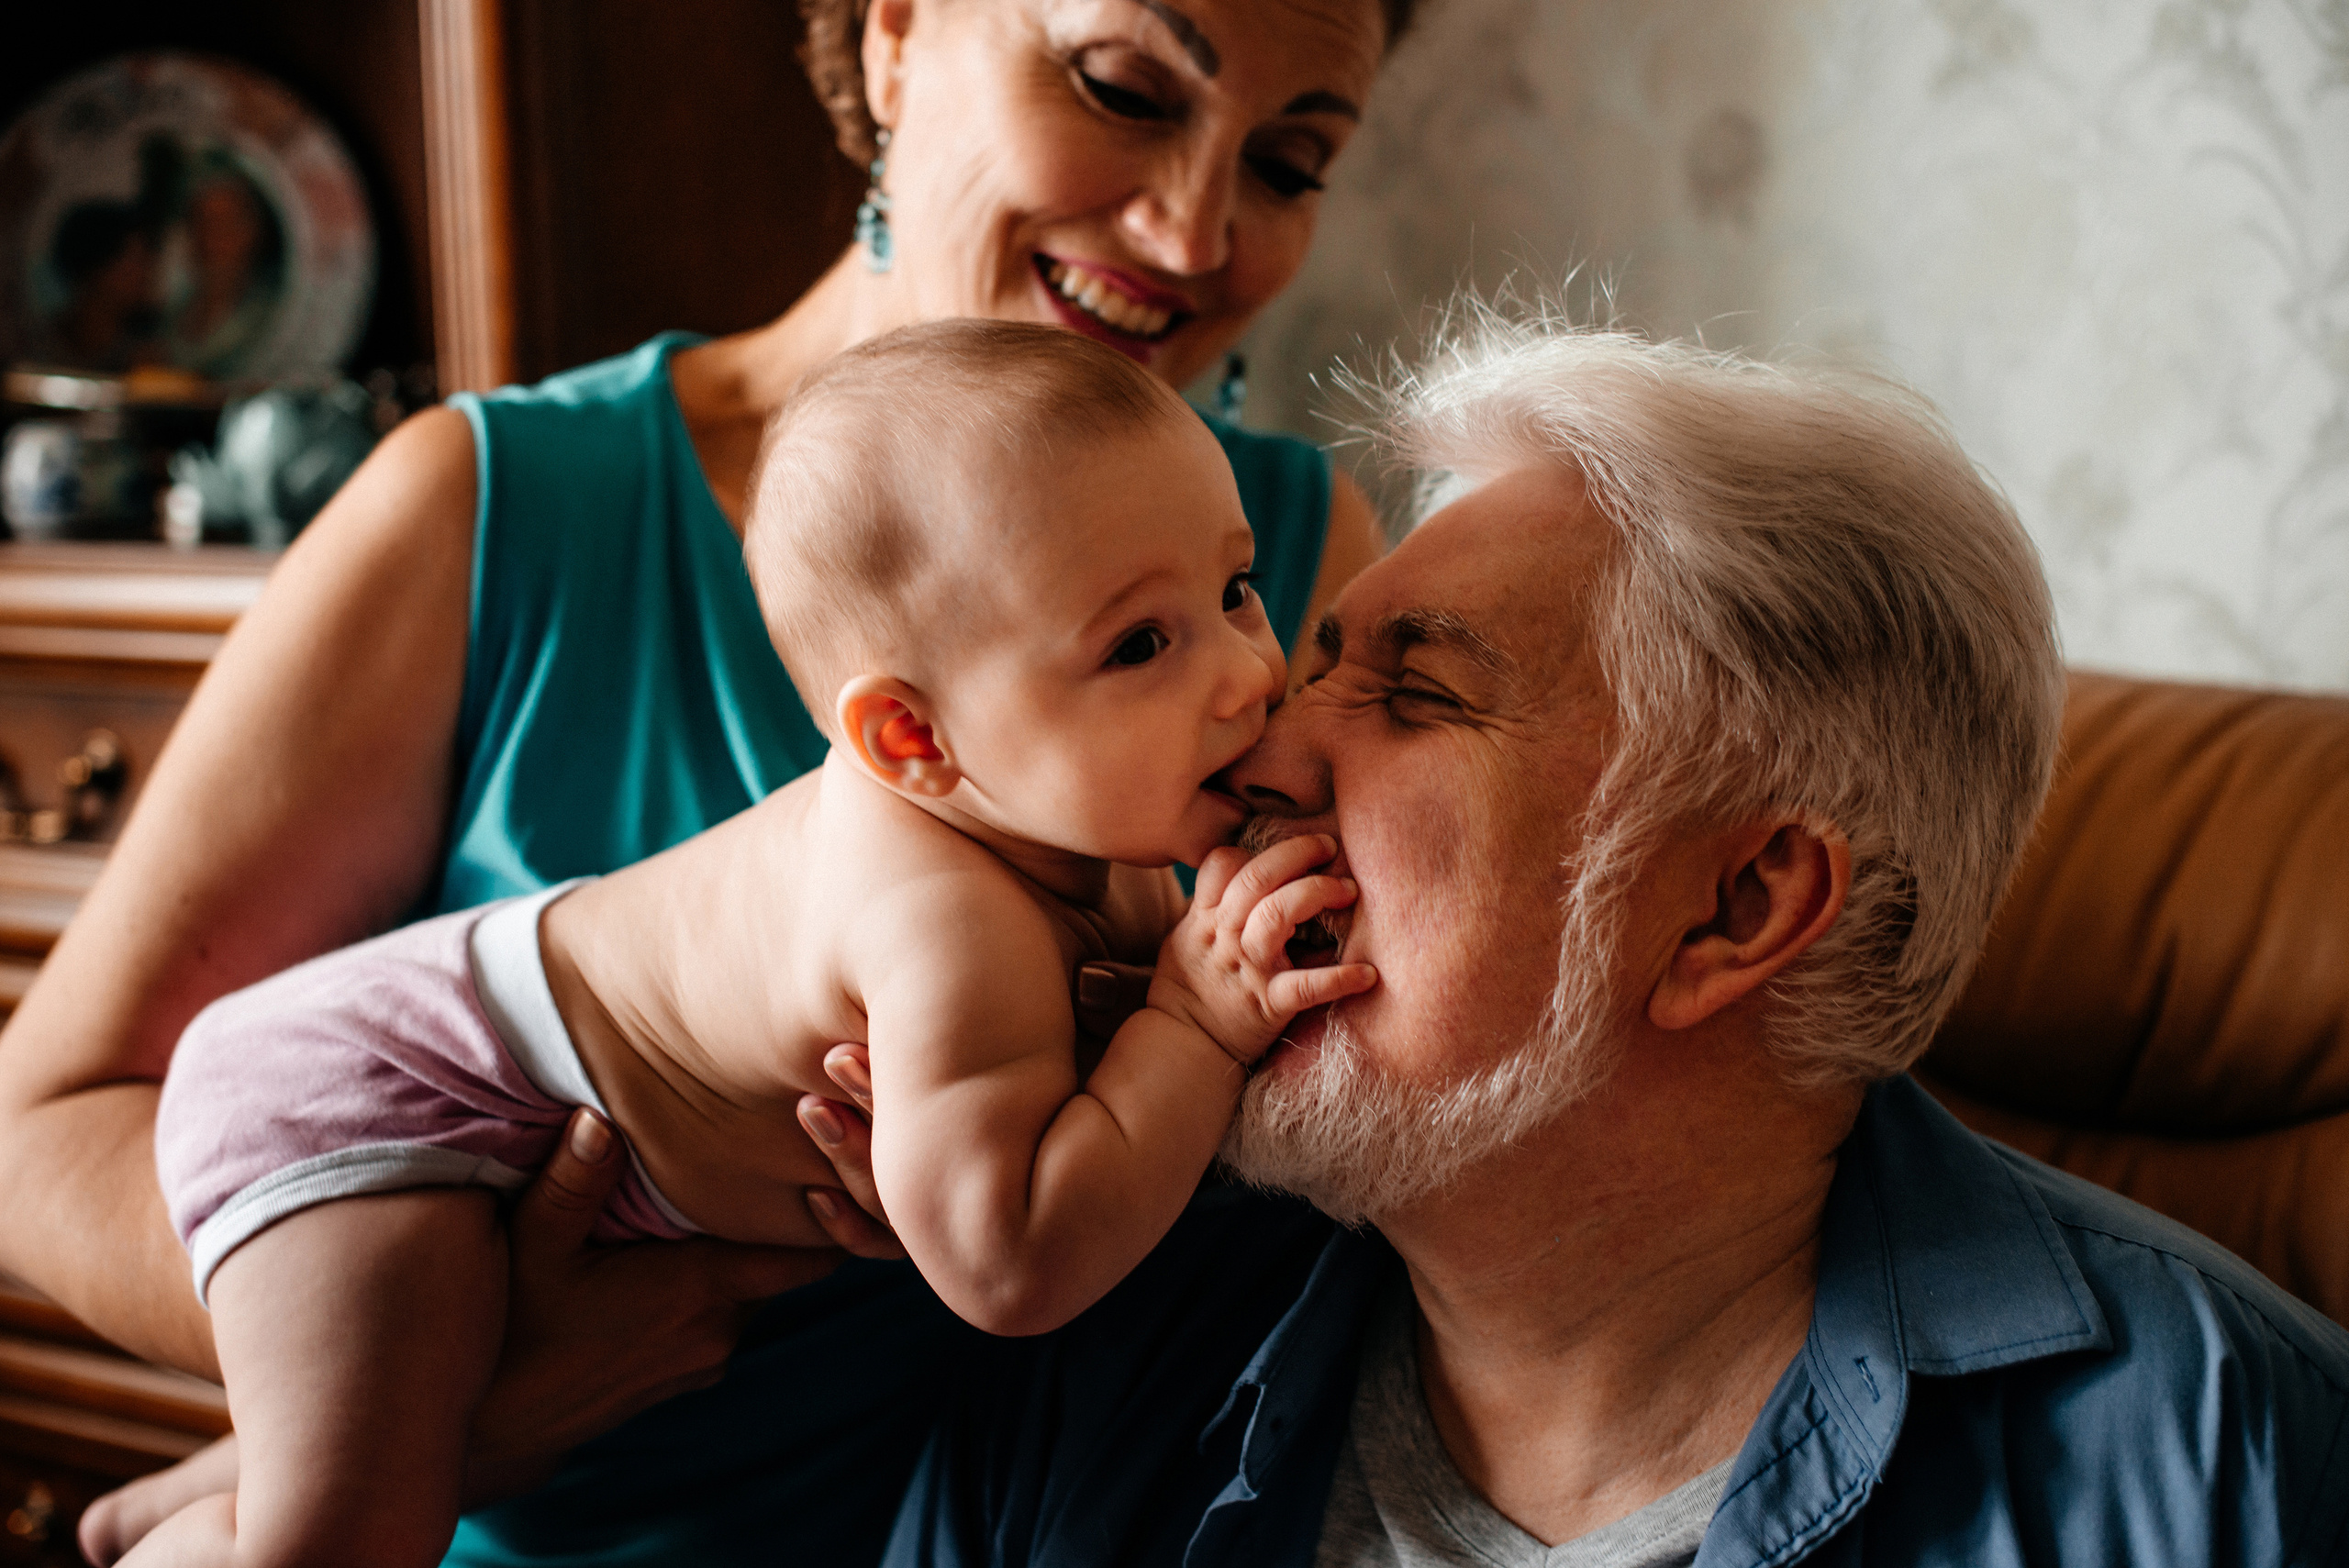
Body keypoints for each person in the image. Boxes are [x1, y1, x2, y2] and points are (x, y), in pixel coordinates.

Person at [0, 2, 1413, 1563]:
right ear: (892, 39)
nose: (1192, 229)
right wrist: (463, 1371)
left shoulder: (1287, 555)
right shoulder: (491, 511)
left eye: (1289, 162)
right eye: (1124, 88)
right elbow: (43, 1131)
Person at [852, 315, 2349, 1564]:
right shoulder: (1102, 1323)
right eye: (1313, 664)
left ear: (1734, 908)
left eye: (1417, 695)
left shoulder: (2226, 1462)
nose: (1250, 761)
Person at [130, 323, 1375, 1567]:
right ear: (910, 740)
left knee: (372, 1430)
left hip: (443, 1062)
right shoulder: (943, 922)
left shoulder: (1074, 819)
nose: (1248, 675)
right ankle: (191, 1540)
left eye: (1234, 590)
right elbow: (1009, 1267)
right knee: (344, 1538)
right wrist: (1196, 1024)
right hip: (369, 1098)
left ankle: (218, 1489)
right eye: (1140, 645)